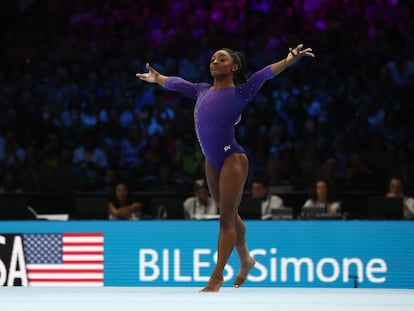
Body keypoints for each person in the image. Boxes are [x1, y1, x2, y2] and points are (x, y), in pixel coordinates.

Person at [136, 43, 314, 291]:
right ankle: (245, 259)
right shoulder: (201, 90)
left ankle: (216, 277)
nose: (215, 62)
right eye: (212, 59)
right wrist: (159, 79)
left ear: (234, 66)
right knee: (229, 215)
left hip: (233, 158)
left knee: (225, 219)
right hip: (212, 159)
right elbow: (179, 83)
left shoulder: (241, 92)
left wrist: (289, 60)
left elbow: (264, 74)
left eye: (221, 59)